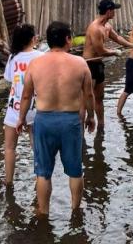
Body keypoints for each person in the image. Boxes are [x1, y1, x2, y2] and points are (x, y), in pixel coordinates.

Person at [16, 21, 96, 215]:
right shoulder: (80, 63)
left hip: (44, 121)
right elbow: (89, 95)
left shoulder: (35, 64)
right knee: (75, 170)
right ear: (68, 39)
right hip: (70, 122)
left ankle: (43, 212)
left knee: (43, 173)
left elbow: (26, 96)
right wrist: (91, 116)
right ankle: (76, 211)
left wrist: (21, 119)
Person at [83, 0, 133, 128]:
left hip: (99, 66)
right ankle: (81, 131)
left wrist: (132, 45)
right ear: (109, 11)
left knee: (100, 97)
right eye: (114, 9)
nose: (115, 12)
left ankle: (101, 126)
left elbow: (118, 38)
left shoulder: (107, 27)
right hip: (89, 66)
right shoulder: (95, 28)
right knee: (86, 99)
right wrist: (114, 52)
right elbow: (101, 51)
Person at [3, 24, 43, 186]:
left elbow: (8, 79)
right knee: (37, 150)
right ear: (33, 39)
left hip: (15, 108)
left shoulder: (13, 57)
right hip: (36, 109)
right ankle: (39, 181)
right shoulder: (42, 56)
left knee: (9, 148)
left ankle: (8, 182)